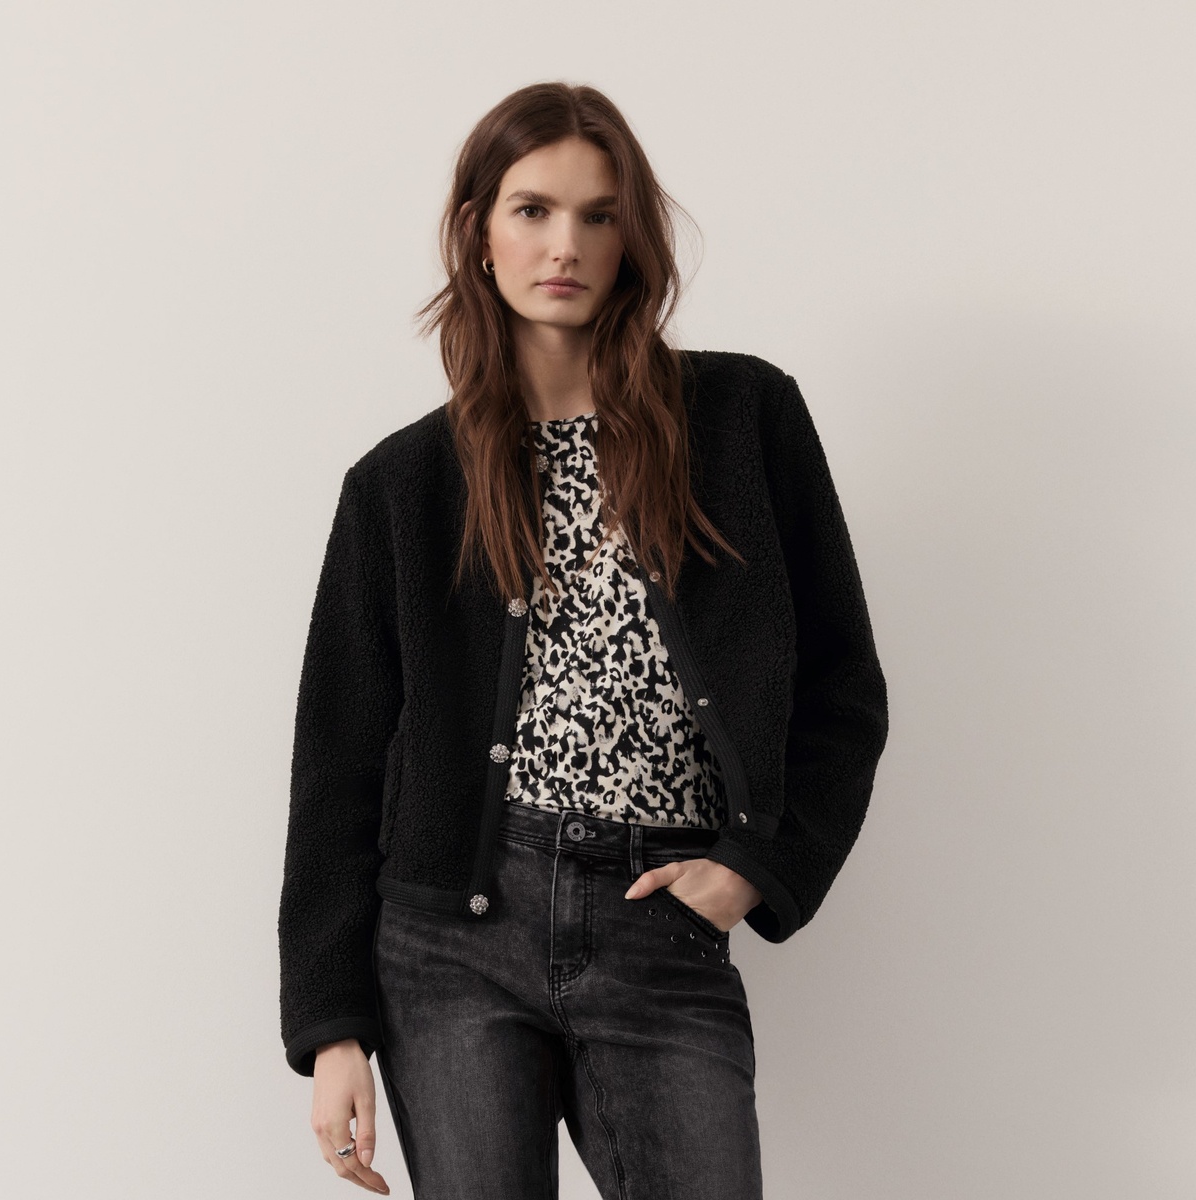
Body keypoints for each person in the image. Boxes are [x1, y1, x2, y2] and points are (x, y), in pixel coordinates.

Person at [278, 81, 888, 1199]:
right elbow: (338, 766)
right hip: (451, 943)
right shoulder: (401, 487)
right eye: (533, 210)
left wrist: (757, 867)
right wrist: (331, 1030)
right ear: (480, 231)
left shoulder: (744, 421)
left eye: (598, 215)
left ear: (631, 238)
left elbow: (843, 687)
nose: (565, 244)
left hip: (661, 919)